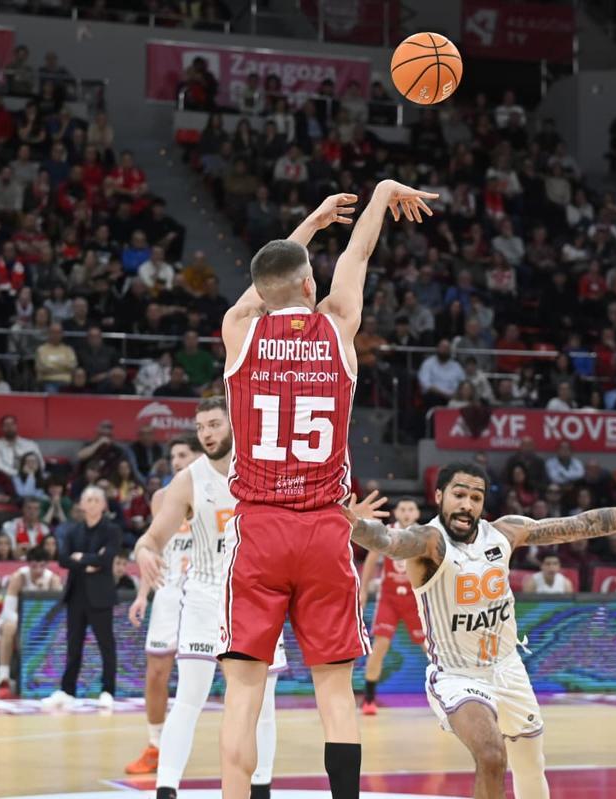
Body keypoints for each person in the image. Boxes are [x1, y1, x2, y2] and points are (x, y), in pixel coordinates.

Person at [207, 183, 435, 799]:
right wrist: (380, 196)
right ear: (312, 285)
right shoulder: (337, 326)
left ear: (263, 293)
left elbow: (267, 280)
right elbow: (357, 257)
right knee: (335, 694)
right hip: (325, 530)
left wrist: (308, 223)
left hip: (259, 530)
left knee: (244, 694)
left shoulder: (238, 329)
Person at [344, 462, 616, 799]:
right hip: (458, 675)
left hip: (508, 668)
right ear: (439, 496)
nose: (467, 505)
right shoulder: (428, 541)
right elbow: (388, 541)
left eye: (476, 497)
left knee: (530, 765)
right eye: (459, 494)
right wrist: (354, 525)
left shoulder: (505, 532)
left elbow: (582, 524)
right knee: (492, 754)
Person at [133, 399, 283, 796]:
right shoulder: (188, 481)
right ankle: (166, 789)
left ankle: (261, 789)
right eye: (201, 427)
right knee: (189, 698)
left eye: (214, 424)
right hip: (205, 596)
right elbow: (152, 537)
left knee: (263, 704)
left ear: (235, 424)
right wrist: (144, 551)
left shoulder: (265, 470)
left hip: (257, 597)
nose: (207, 433)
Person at [124, 435, 200, 774]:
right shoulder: (161, 498)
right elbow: (153, 550)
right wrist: (143, 595)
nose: (177, 461)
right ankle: (155, 744)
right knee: (156, 672)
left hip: (207, 592)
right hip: (169, 593)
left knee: (227, 671)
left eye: (183, 455)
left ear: (199, 456)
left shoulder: (217, 490)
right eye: (173, 457)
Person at [42, 486, 121, 709]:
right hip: (76, 594)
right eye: (89, 499)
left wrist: (81, 558)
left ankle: (108, 690)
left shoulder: (112, 530)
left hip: (101, 596)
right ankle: (67, 691)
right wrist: (91, 561)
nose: (93, 503)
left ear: (104, 505)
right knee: (73, 646)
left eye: (97, 500)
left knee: (106, 645)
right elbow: (63, 559)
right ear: (82, 504)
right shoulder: (72, 531)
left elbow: (106, 560)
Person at [358, 497, 426, 716]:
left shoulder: (424, 535)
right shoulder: (386, 532)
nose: (406, 513)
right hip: (389, 598)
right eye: (403, 509)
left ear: (417, 514)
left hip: (414, 600)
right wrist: (363, 590)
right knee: (380, 646)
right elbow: (371, 560)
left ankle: (446, 693)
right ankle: (368, 699)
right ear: (396, 513)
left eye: (411, 509)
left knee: (430, 647)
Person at [0, 547, 64, 697]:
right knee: (9, 627)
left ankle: (52, 678)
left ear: (46, 565)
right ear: (28, 564)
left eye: (41, 566)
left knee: (60, 633)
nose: (38, 570)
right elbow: (8, 611)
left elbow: (58, 615)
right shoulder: (18, 578)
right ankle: (3, 678)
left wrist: (44, 593)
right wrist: (26, 625)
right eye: (34, 566)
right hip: (17, 621)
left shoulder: (53, 580)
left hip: (42, 626)